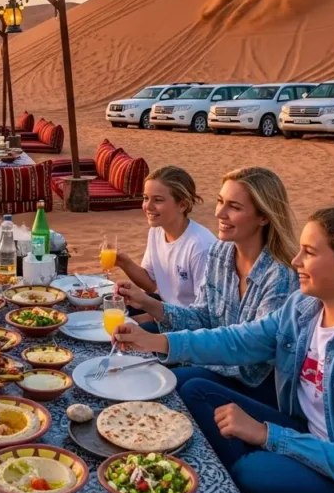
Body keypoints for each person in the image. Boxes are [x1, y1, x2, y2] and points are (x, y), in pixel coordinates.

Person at [114, 207, 334, 493]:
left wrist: (266, 434)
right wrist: (155, 340)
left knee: (254, 470)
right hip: (310, 434)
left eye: (310, 253)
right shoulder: (305, 307)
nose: (296, 260)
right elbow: (237, 340)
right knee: (197, 389)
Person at [117, 166, 299, 406]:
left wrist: (164, 342)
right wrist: (146, 302)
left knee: (178, 384)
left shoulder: (280, 277)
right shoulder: (220, 253)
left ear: (263, 217)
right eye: (220, 201)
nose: (220, 213)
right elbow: (201, 316)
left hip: (253, 382)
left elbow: (249, 348)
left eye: (234, 207)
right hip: (212, 362)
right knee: (144, 369)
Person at [113, 166, 217, 310]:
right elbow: (151, 284)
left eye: (158, 200)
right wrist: (125, 263)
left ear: (182, 205)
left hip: (187, 324)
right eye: (145, 198)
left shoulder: (200, 247)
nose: (148, 206)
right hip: (164, 309)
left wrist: (147, 318)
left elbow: (204, 314)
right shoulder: (156, 231)